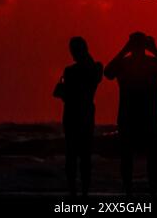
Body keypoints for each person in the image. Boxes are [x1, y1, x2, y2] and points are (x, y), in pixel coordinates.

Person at [104, 32, 157, 196]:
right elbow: (107, 73)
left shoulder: (132, 64)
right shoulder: (148, 64)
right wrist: (154, 50)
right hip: (142, 118)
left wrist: (125, 50)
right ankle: (147, 191)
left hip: (134, 117)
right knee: (143, 158)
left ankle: (134, 190)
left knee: (135, 158)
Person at [53, 37, 103, 197]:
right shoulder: (95, 68)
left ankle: (73, 190)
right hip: (86, 115)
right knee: (84, 156)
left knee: (72, 155)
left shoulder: (70, 71)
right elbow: (95, 76)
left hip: (72, 115)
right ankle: (84, 191)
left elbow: (64, 94)